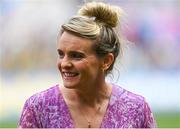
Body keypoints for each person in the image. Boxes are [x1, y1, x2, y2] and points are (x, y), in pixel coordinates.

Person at [18, 2, 157, 128]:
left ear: (106, 61)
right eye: (61, 54)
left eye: (76, 56)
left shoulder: (136, 109)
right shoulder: (38, 108)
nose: (64, 63)